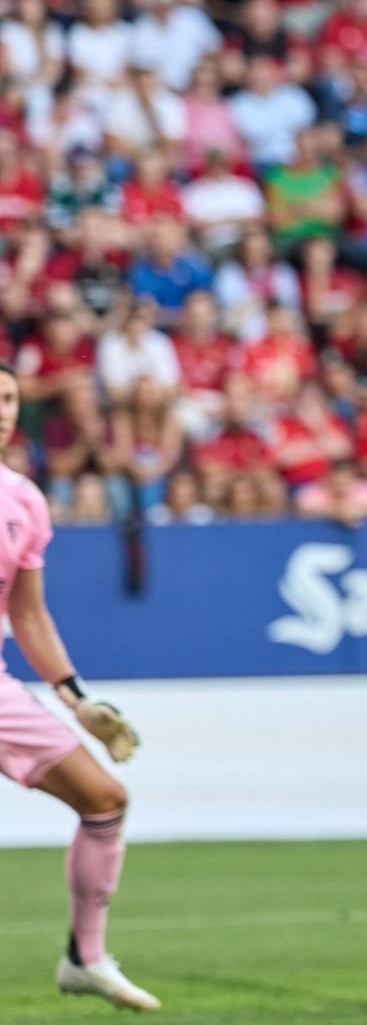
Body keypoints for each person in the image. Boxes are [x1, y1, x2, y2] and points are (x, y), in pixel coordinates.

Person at [0, 363, 157, 1010]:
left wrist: (73, 694)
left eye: (8, 397)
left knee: (104, 799)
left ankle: (84, 959)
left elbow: (27, 611)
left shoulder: (24, 500)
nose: (0, 408)